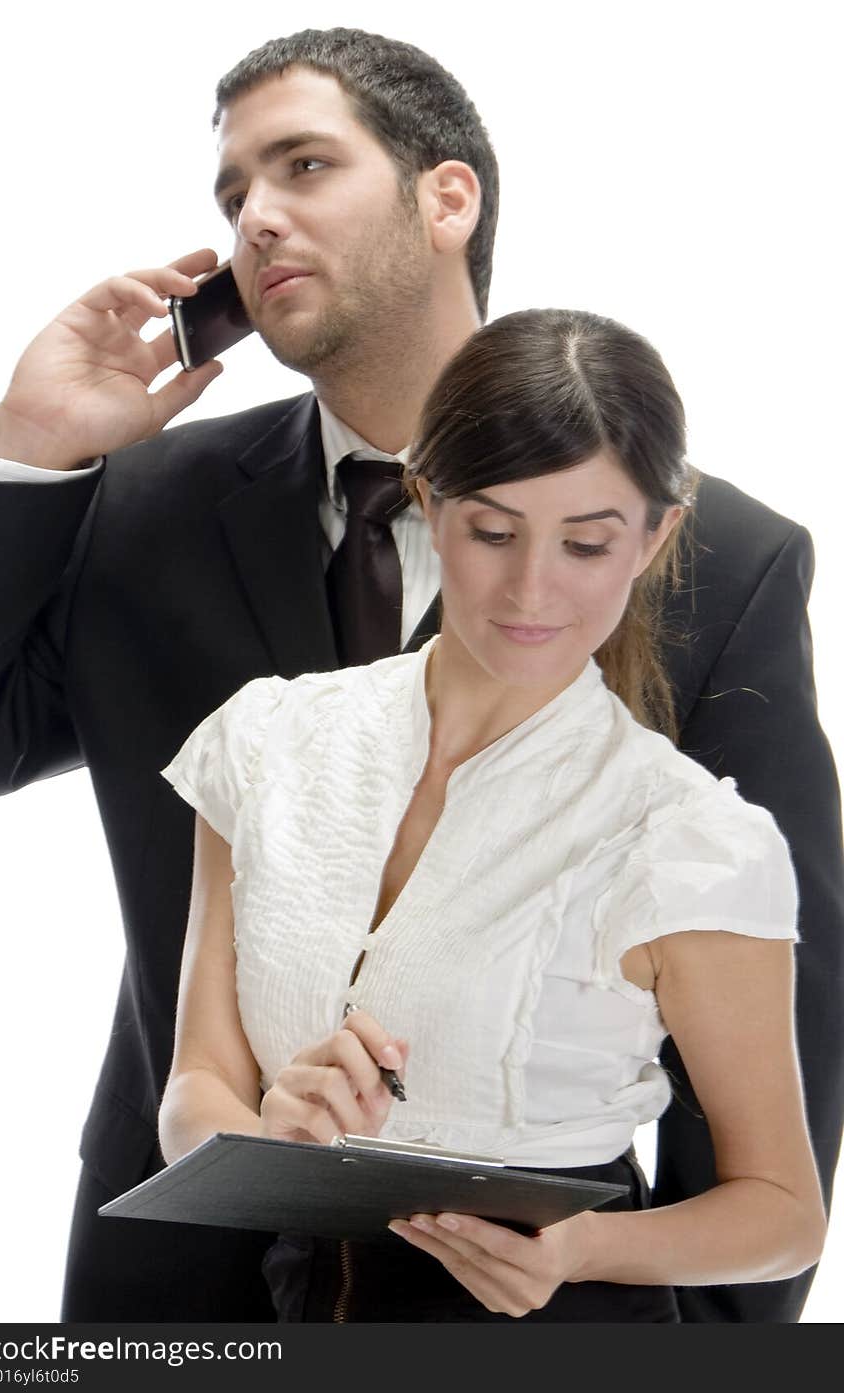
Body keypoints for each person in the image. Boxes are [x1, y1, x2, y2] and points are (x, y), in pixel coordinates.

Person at [0, 27, 840, 1324]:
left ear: (448, 197)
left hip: (530, 1300)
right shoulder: (137, 506)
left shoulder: (718, 553)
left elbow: (788, 1011)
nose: (256, 217)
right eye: (232, 194)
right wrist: (26, 457)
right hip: (178, 1290)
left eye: (303, 165)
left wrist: (685, 1327)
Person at [157, 307, 826, 1322]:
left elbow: (782, 1209)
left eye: (586, 544)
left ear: (656, 537)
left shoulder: (688, 837)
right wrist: (262, 1139)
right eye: (493, 530)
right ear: (428, 499)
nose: (530, 589)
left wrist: (585, 1247)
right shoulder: (266, 743)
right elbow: (195, 1085)